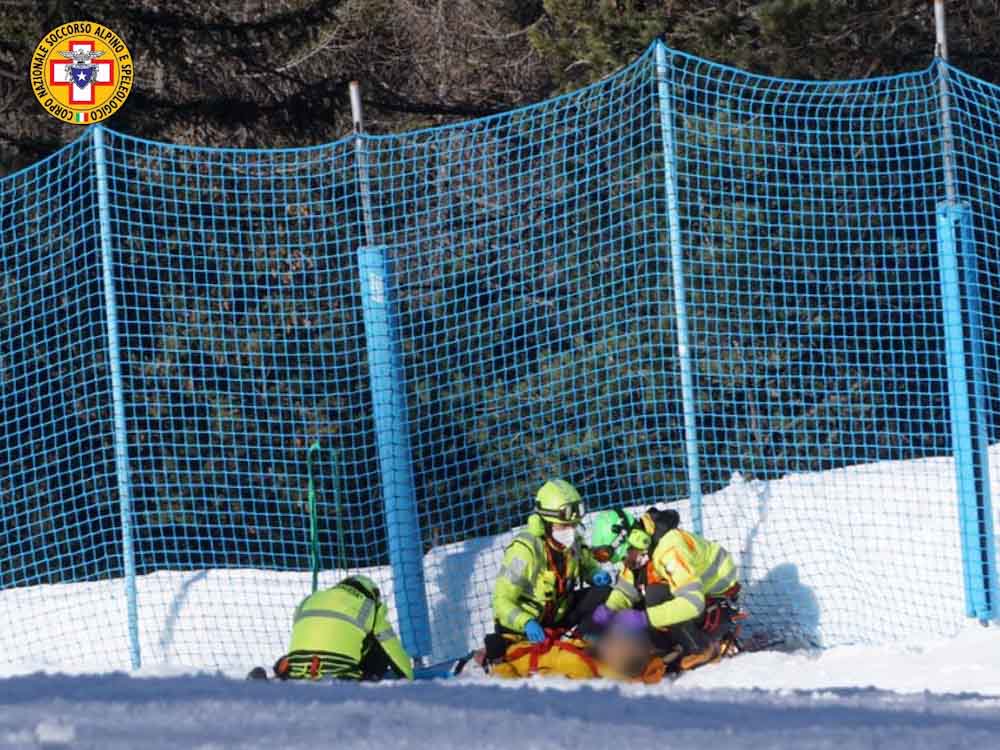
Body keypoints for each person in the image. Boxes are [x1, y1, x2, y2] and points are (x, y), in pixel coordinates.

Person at [591, 507, 741, 671]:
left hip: (716, 600)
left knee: (655, 596)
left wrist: (644, 618)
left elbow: (692, 603)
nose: (625, 563)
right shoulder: (641, 550)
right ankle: (670, 645)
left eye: (625, 557)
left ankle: (701, 648)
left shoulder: (670, 548)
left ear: (636, 538)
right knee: (643, 602)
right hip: (694, 595)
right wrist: (609, 610)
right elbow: (626, 589)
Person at [489, 479, 611, 657]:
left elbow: (587, 566)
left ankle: (581, 642)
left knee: (605, 594)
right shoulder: (524, 551)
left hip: (556, 617)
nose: (570, 530)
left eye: (574, 524)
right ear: (546, 522)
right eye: (564, 526)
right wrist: (526, 622)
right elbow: (501, 602)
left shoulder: (573, 542)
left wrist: (595, 575)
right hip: (526, 628)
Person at [271, 575, 414, 681]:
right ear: (372, 594)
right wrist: (408, 676)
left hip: (298, 666)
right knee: (379, 645)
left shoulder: (309, 600)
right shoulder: (369, 607)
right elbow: (392, 649)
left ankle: (282, 674)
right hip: (338, 675)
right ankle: (366, 679)